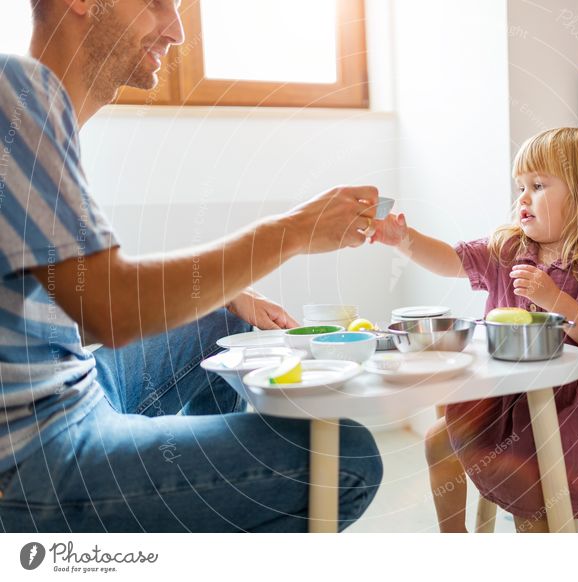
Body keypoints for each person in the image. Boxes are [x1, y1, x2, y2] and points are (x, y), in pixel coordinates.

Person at [0, 0, 382, 532]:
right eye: (158, 3)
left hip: (73, 384)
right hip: (33, 459)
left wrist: (223, 291)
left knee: (222, 325)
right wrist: (292, 231)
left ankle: (184, 509)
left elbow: (87, 291)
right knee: (346, 460)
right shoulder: (15, 90)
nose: (177, 31)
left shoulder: (40, 114)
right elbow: (111, 310)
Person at [371, 127, 578, 532]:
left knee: (529, 489)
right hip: (506, 404)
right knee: (437, 439)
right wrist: (404, 240)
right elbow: (451, 260)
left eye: (538, 185)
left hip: (577, 412)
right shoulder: (508, 249)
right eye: (521, 186)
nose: (523, 197)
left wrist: (558, 301)